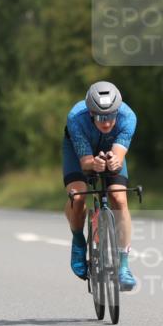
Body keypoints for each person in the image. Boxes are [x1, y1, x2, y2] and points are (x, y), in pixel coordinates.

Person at [62, 81, 138, 291]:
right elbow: (86, 162)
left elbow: (119, 155)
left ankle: (123, 265)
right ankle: (78, 241)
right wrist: (92, 164)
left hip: (110, 148)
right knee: (77, 197)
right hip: (79, 151)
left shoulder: (128, 117)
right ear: (90, 113)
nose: (107, 123)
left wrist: (114, 161)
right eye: (101, 117)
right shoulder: (76, 118)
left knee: (119, 198)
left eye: (111, 116)